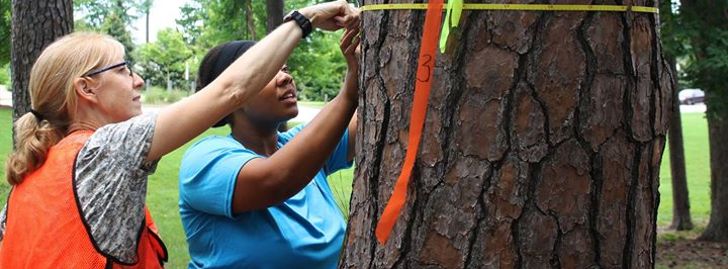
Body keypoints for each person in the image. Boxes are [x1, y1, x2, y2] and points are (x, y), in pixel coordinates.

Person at [0, 1, 359, 268]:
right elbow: (229, 92)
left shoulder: (30, 180)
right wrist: (304, 19)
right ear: (86, 89)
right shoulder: (103, 151)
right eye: (124, 70)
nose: (138, 80)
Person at [176, 12, 361, 269]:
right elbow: (274, 181)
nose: (286, 77)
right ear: (232, 94)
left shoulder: (303, 146)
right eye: (269, 72)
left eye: (284, 69)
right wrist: (347, 96)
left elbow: (372, 115)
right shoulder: (204, 159)